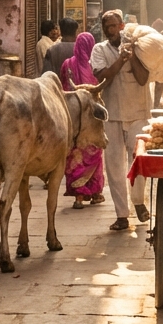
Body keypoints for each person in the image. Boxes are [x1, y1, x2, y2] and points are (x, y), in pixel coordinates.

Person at [91, 9, 152, 230]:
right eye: (107, 26)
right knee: (114, 166)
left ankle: (138, 203)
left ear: (122, 26)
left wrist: (133, 55)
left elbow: (144, 79)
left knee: (138, 161)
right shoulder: (99, 50)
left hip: (138, 113)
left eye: (115, 25)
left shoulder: (139, 48)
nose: (111, 30)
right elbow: (101, 77)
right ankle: (121, 215)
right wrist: (120, 59)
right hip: (113, 115)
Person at [58, 31, 106, 209]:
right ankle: (95, 193)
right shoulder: (95, 65)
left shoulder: (67, 64)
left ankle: (78, 196)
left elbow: (64, 88)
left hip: (73, 116)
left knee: (74, 154)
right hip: (92, 118)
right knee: (94, 152)